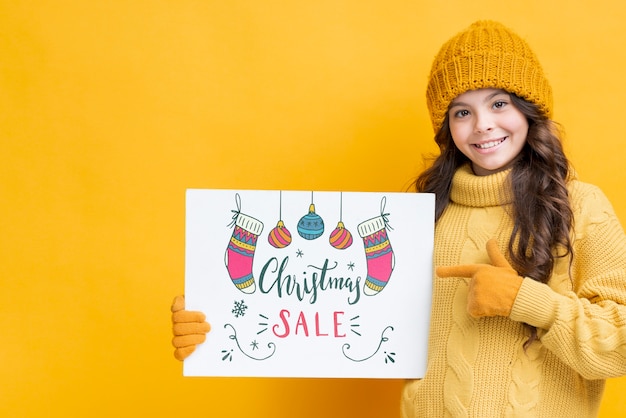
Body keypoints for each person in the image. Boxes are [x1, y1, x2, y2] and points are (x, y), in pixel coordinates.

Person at [171, 20, 626, 417]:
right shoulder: (416, 218)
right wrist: (218, 315)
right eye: (462, 112)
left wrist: (527, 301)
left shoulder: (579, 207)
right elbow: (329, 309)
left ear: (530, 109)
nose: (482, 124)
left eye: (499, 103)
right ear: (446, 127)